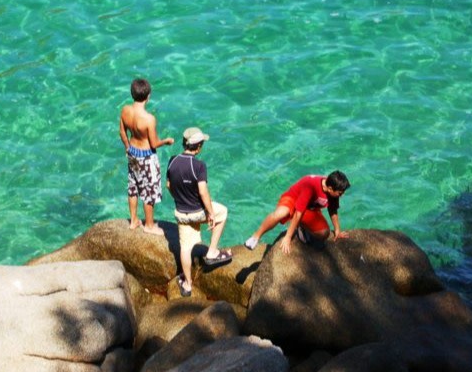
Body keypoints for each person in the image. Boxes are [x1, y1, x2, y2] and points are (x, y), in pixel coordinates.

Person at [166, 127, 232, 297]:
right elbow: (203, 191)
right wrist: (210, 213)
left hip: (181, 213)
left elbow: (168, 185)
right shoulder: (199, 166)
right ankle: (212, 251)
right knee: (223, 212)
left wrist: (179, 198)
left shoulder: (172, 161)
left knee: (185, 248)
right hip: (198, 212)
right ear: (199, 146)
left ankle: (187, 285)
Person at [244, 171, 350, 255]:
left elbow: (333, 209)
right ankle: (255, 236)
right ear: (330, 189)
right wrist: (288, 237)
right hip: (293, 199)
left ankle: (301, 227)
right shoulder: (311, 186)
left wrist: (337, 231)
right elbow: (299, 212)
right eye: (340, 193)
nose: (342, 195)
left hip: (309, 208)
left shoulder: (333, 192)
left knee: (324, 234)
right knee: (281, 213)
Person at [119, 78, 174, 235]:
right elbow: (154, 143)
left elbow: (122, 132)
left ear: (132, 94)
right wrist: (166, 141)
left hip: (132, 152)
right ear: (148, 96)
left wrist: (127, 147)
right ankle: (149, 225)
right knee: (149, 190)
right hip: (146, 157)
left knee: (133, 186)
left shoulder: (125, 110)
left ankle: (133, 220)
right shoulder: (149, 119)